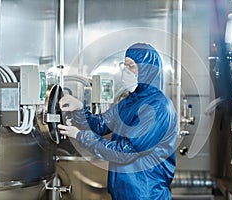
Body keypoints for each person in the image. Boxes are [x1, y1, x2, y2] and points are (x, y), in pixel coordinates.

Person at [57, 43, 178, 200]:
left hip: (146, 194)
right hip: (123, 192)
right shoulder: (130, 102)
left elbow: (124, 152)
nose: (126, 71)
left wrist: (81, 136)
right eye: (125, 65)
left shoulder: (158, 108)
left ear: (147, 70)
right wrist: (80, 109)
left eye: (131, 66)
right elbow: (100, 125)